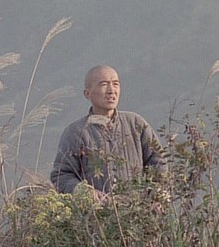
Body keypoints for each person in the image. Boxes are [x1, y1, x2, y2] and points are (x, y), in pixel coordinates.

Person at [51, 64, 167, 202]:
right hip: (96, 212)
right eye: (104, 84)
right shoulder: (76, 132)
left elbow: (158, 162)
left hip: (137, 211)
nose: (111, 90)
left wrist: (155, 197)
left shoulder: (136, 124)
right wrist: (84, 192)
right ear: (87, 93)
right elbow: (61, 176)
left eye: (116, 84)